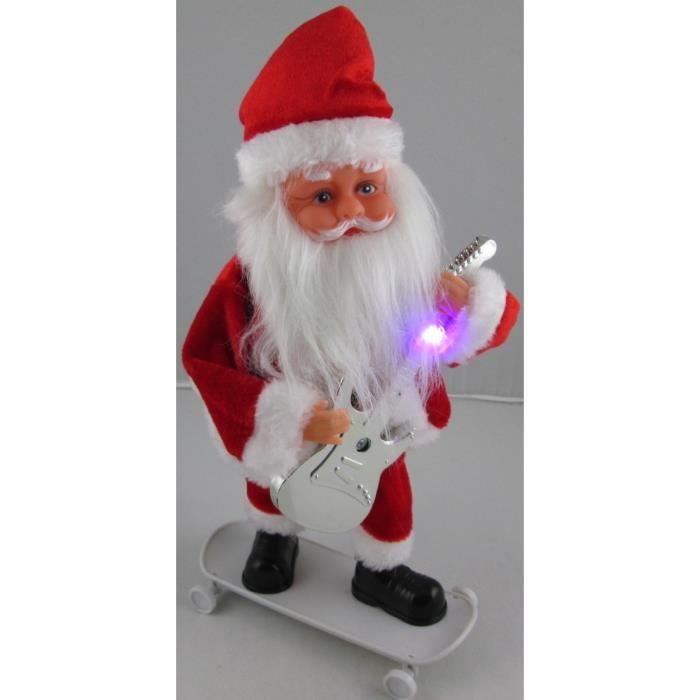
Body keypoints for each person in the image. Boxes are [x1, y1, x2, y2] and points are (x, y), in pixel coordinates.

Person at [183, 6, 519, 626]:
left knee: (386, 488)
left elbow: (470, 334)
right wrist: (290, 416)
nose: (350, 212)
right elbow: (202, 357)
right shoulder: (251, 279)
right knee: (273, 480)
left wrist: (466, 308)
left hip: (379, 421)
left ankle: (380, 569)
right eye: (321, 195)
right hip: (298, 420)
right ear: (277, 205)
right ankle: (274, 537)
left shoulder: (402, 268)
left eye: (367, 188)